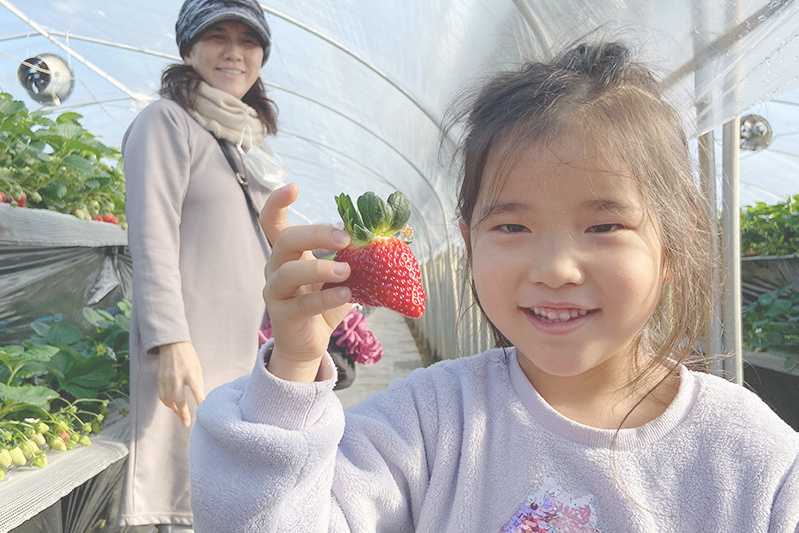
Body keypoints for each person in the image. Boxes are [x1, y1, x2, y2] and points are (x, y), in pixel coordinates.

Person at [189, 41, 799, 531]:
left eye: (605, 224)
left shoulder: (749, 460)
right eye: (512, 225)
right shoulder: (429, 422)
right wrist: (293, 368)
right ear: (468, 241)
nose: (556, 268)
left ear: (675, 242)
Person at [119, 0, 282, 529]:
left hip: (233, 357)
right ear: (189, 49)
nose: (234, 52)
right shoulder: (166, 122)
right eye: (217, 36)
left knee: (225, 502)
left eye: (248, 40)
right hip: (188, 354)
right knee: (184, 502)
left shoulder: (241, 142)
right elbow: (152, 238)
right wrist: (169, 340)